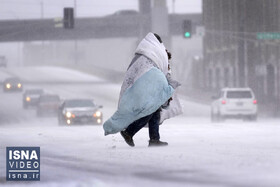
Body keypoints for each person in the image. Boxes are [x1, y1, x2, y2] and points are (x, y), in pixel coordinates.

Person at [103, 32, 181, 147]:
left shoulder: (142, 55)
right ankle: (129, 132)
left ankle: (154, 139)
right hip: (148, 87)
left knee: (154, 110)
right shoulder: (156, 53)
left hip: (142, 87)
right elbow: (161, 71)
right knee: (149, 110)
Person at [120, 46, 173, 147]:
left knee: (155, 114)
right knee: (148, 114)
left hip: (152, 92)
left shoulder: (157, 60)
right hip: (149, 92)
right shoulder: (155, 61)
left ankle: (154, 139)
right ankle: (129, 132)